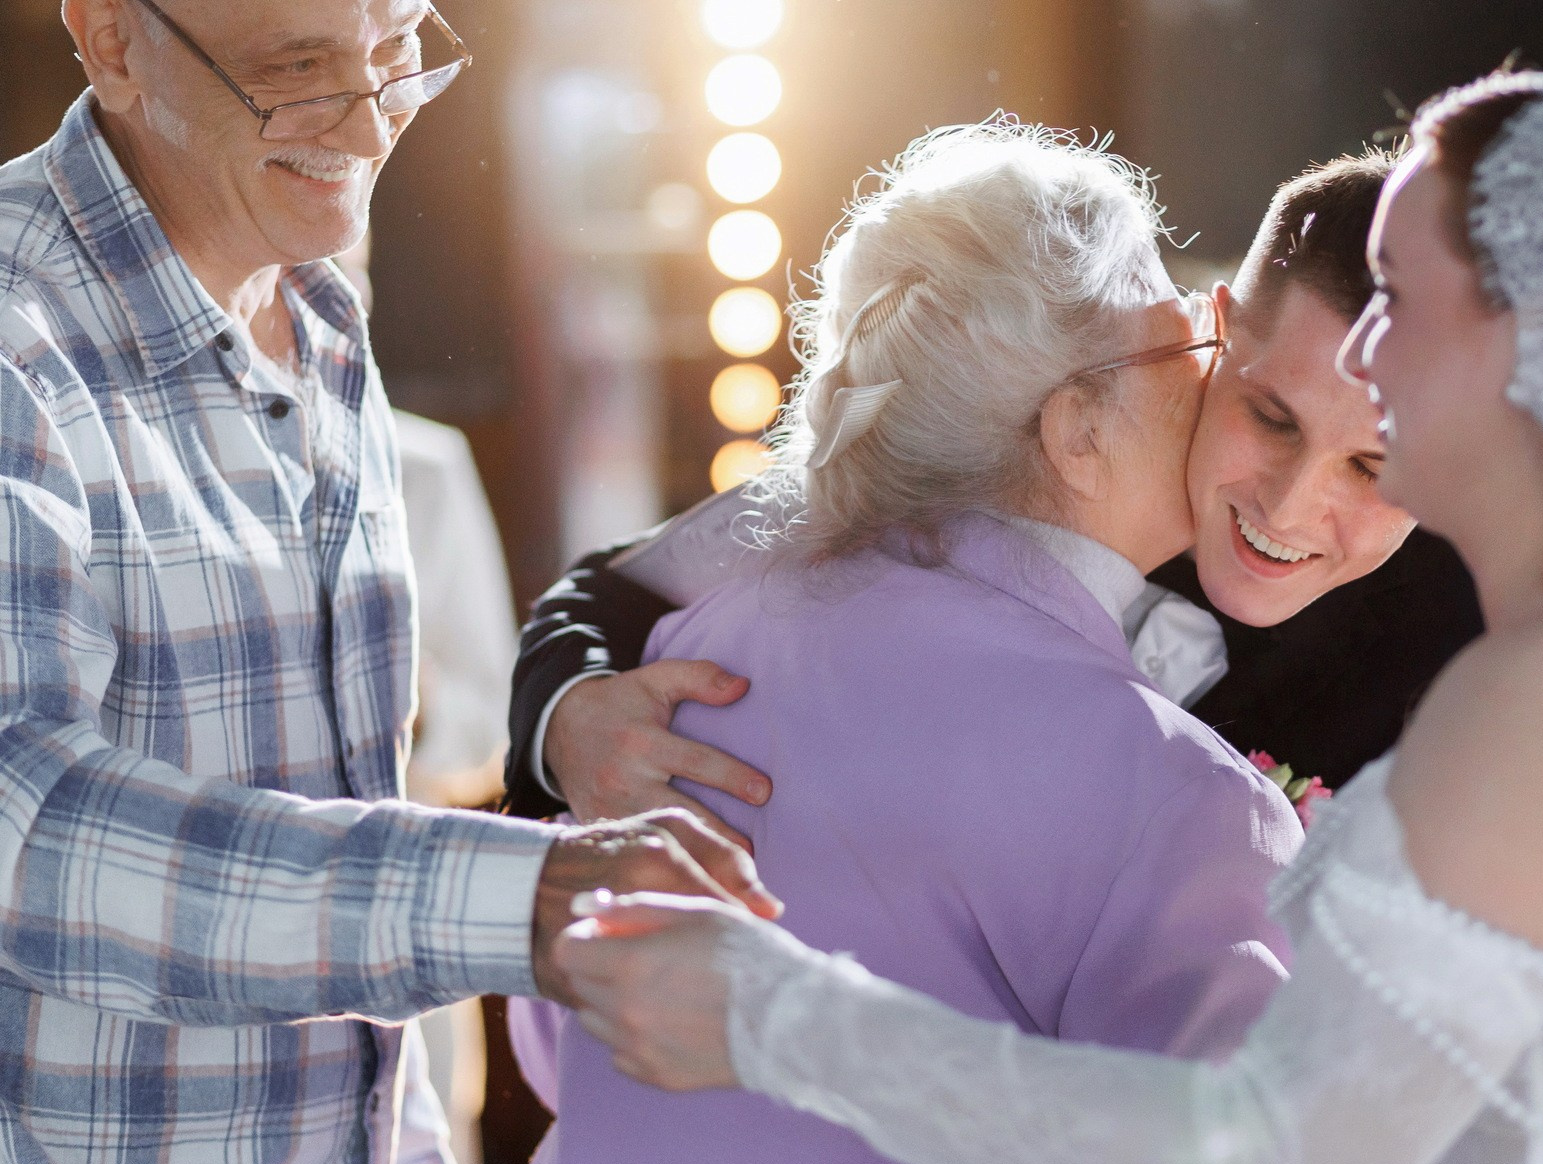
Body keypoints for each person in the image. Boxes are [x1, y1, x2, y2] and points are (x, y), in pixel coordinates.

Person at [553, 73, 1543, 1164]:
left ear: (1530, 352)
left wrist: (777, 1012)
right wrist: (565, 711)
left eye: (1397, 304)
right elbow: (623, 590)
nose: (1359, 355)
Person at [0, 0, 771, 1164]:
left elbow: (346, 936)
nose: (368, 130)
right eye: (298, 71)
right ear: (111, 44)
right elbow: (28, 825)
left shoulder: (319, 311)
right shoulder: (19, 336)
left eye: (400, 50)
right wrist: (513, 893)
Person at [504, 124, 1303, 1164]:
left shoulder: (674, 680)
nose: (1210, 334)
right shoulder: (1164, 790)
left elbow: (557, 1041)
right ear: (1075, 429)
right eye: (1166, 301)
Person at [502, 151, 1482, 833]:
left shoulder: (1465, 633)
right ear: (1217, 329)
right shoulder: (1020, 453)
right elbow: (611, 591)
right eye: (1270, 418)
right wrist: (574, 719)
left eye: (1372, 467)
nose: (1288, 502)